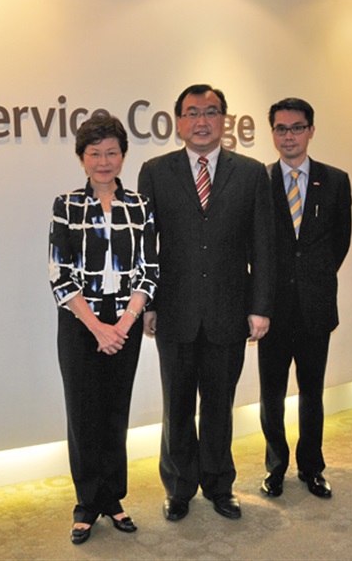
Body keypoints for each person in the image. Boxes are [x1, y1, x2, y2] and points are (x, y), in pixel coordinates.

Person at [137, 84, 274, 522]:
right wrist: (149, 303)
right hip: (174, 311)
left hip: (229, 311)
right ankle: (179, 488)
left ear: (224, 121)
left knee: (219, 404)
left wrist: (260, 306)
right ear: (178, 121)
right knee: (176, 406)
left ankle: (219, 484)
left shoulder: (252, 174)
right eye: (192, 113)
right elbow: (146, 245)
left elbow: (263, 245)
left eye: (211, 112)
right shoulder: (155, 171)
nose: (201, 121)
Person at [49, 115, 158, 544]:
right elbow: (60, 276)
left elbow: (149, 271)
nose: (104, 161)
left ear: (124, 156)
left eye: (112, 152)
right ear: (82, 159)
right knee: (83, 414)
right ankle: (86, 504)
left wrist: (125, 323)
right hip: (81, 322)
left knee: (115, 412)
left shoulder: (140, 206)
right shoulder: (66, 205)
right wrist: (97, 328)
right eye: (94, 153)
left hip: (125, 321)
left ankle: (113, 498)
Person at [258, 98, 352, 499]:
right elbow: (253, 245)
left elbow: (340, 242)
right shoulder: (257, 180)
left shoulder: (335, 180)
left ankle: (311, 467)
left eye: (297, 127)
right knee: (271, 395)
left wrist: (313, 278)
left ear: (311, 130)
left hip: (315, 307)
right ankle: (276, 467)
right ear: (273, 133)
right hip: (271, 311)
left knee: (312, 392)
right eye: (281, 128)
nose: (289, 136)